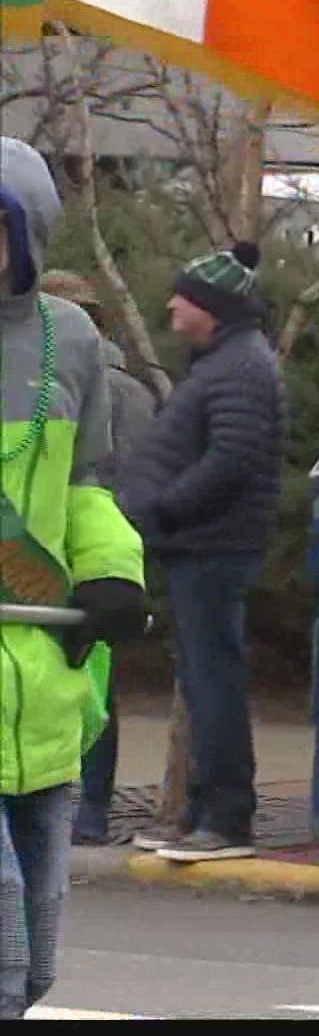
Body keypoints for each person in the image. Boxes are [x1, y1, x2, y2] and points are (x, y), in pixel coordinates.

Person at [0, 137, 148, 1017]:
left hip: (45, 698)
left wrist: (111, 575)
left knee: (37, 961)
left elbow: (85, 489)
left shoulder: (73, 343)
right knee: (4, 963)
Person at [116, 242, 288, 863]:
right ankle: (198, 812)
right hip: (198, 543)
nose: (170, 304)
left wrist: (165, 508)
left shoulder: (240, 366)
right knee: (201, 677)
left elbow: (232, 459)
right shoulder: (224, 361)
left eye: (182, 296)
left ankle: (226, 818)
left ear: (210, 307)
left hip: (211, 544)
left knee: (213, 679)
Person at [36, 270, 160, 846]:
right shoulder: (130, 388)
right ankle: (88, 808)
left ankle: (84, 806)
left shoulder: (78, 385)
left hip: (76, 553)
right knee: (94, 681)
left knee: (87, 680)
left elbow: (106, 480)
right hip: (111, 557)